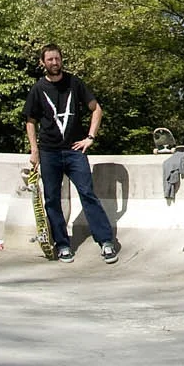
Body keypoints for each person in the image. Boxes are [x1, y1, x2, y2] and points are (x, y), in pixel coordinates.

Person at [24, 45, 120, 263]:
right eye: (49, 59)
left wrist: (90, 137)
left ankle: (106, 242)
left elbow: (96, 109)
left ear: (61, 60)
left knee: (87, 194)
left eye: (57, 59)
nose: (54, 63)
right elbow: (31, 121)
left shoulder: (74, 83)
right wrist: (34, 150)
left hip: (75, 151)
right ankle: (63, 244)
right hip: (49, 152)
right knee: (52, 199)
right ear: (43, 62)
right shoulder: (38, 89)